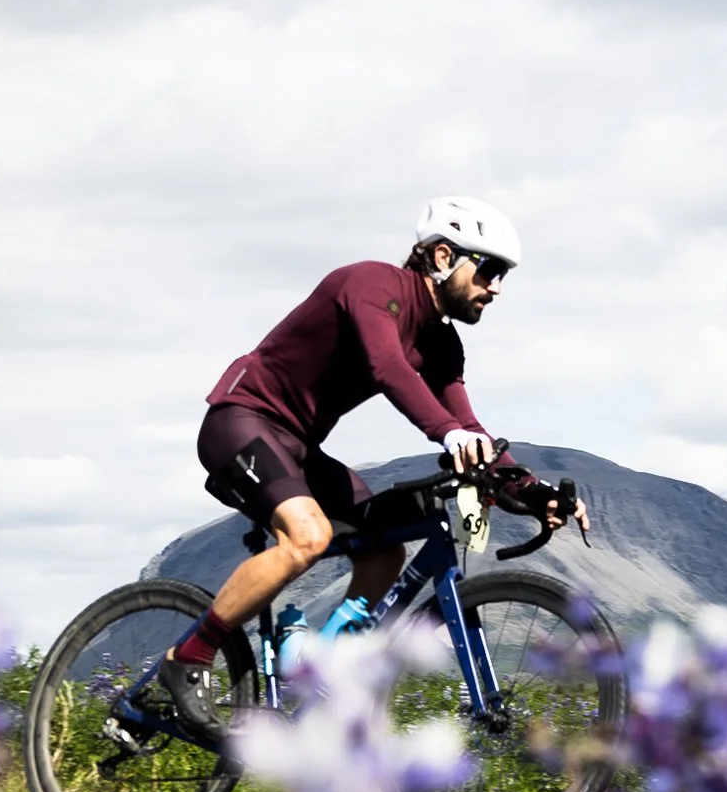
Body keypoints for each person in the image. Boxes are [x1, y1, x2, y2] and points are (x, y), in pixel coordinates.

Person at [159, 195, 591, 735]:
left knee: (385, 547)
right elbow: (387, 367)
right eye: (490, 270)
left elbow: (469, 426)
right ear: (441, 257)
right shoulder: (369, 285)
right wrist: (446, 433)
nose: (497, 287)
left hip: (298, 448)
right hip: (242, 421)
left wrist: (530, 492)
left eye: (503, 275)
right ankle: (187, 659)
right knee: (308, 536)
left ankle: (320, 664)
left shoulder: (442, 345)